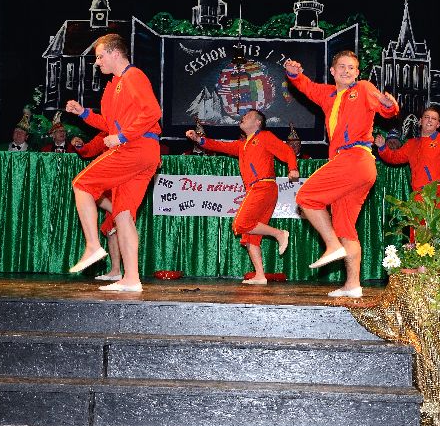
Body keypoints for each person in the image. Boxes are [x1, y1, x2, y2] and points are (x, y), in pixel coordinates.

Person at [284, 50, 399, 298]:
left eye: (352, 68)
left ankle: (332, 245)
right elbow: (307, 87)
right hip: (355, 168)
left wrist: (389, 105)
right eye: (342, 67)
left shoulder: (364, 88)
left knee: (306, 198)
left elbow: (384, 108)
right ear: (333, 71)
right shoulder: (328, 94)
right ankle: (353, 285)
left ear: (357, 73)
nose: (347, 71)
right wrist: (294, 75)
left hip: (355, 158)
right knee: (345, 228)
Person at [65, 33, 162, 293]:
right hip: (143, 152)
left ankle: (93, 246)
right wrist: (83, 113)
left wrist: (122, 137)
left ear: (115, 53)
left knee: (82, 184)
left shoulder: (133, 76)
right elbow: (109, 125)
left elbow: (153, 112)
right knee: (122, 214)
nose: (97, 62)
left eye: (100, 57)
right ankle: (131, 278)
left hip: (136, 147)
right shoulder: (116, 85)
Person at [185, 109, 298, 285]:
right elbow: (219, 146)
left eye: (248, 116)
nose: (243, 117)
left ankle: (279, 234)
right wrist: (198, 140)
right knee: (250, 236)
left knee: (240, 224)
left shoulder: (265, 136)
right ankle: (260, 275)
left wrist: (293, 168)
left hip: (263, 186)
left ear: (258, 122)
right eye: (243, 116)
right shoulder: (242, 144)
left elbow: (287, 150)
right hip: (260, 189)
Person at [375, 107, 440, 210]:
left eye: (434, 119)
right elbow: (394, 157)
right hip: (417, 193)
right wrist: (382, 147)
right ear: (420, 121)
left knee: (432, 220)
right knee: (416, 220)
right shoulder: (411, 144)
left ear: (438, 125)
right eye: (427, 117)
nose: (430, 120)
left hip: (437, 193)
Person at [71, 133, 123, 281]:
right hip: (109, 182)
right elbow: (91, 148)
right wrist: (80, 146)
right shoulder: (106, 132)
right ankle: (116, 270)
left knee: (122, 225)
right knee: (111, 228)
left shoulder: (128, 128)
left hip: (125, 179)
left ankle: (130, 275)